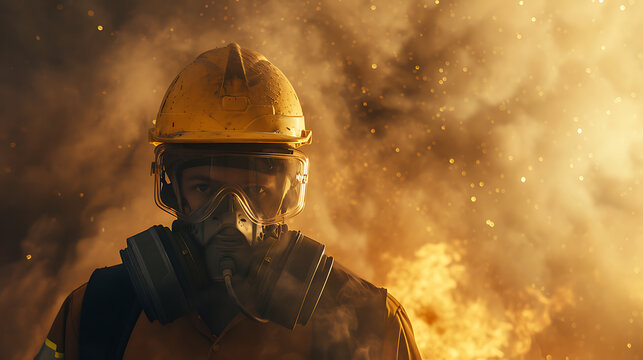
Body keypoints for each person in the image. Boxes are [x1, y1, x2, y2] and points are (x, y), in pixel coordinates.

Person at [35, 43, 422, 360]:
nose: (231, 216)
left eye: (255, 191)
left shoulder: (368, 321)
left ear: (288, 190)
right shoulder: (99, 313)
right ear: (173, 190)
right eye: (205, 189)